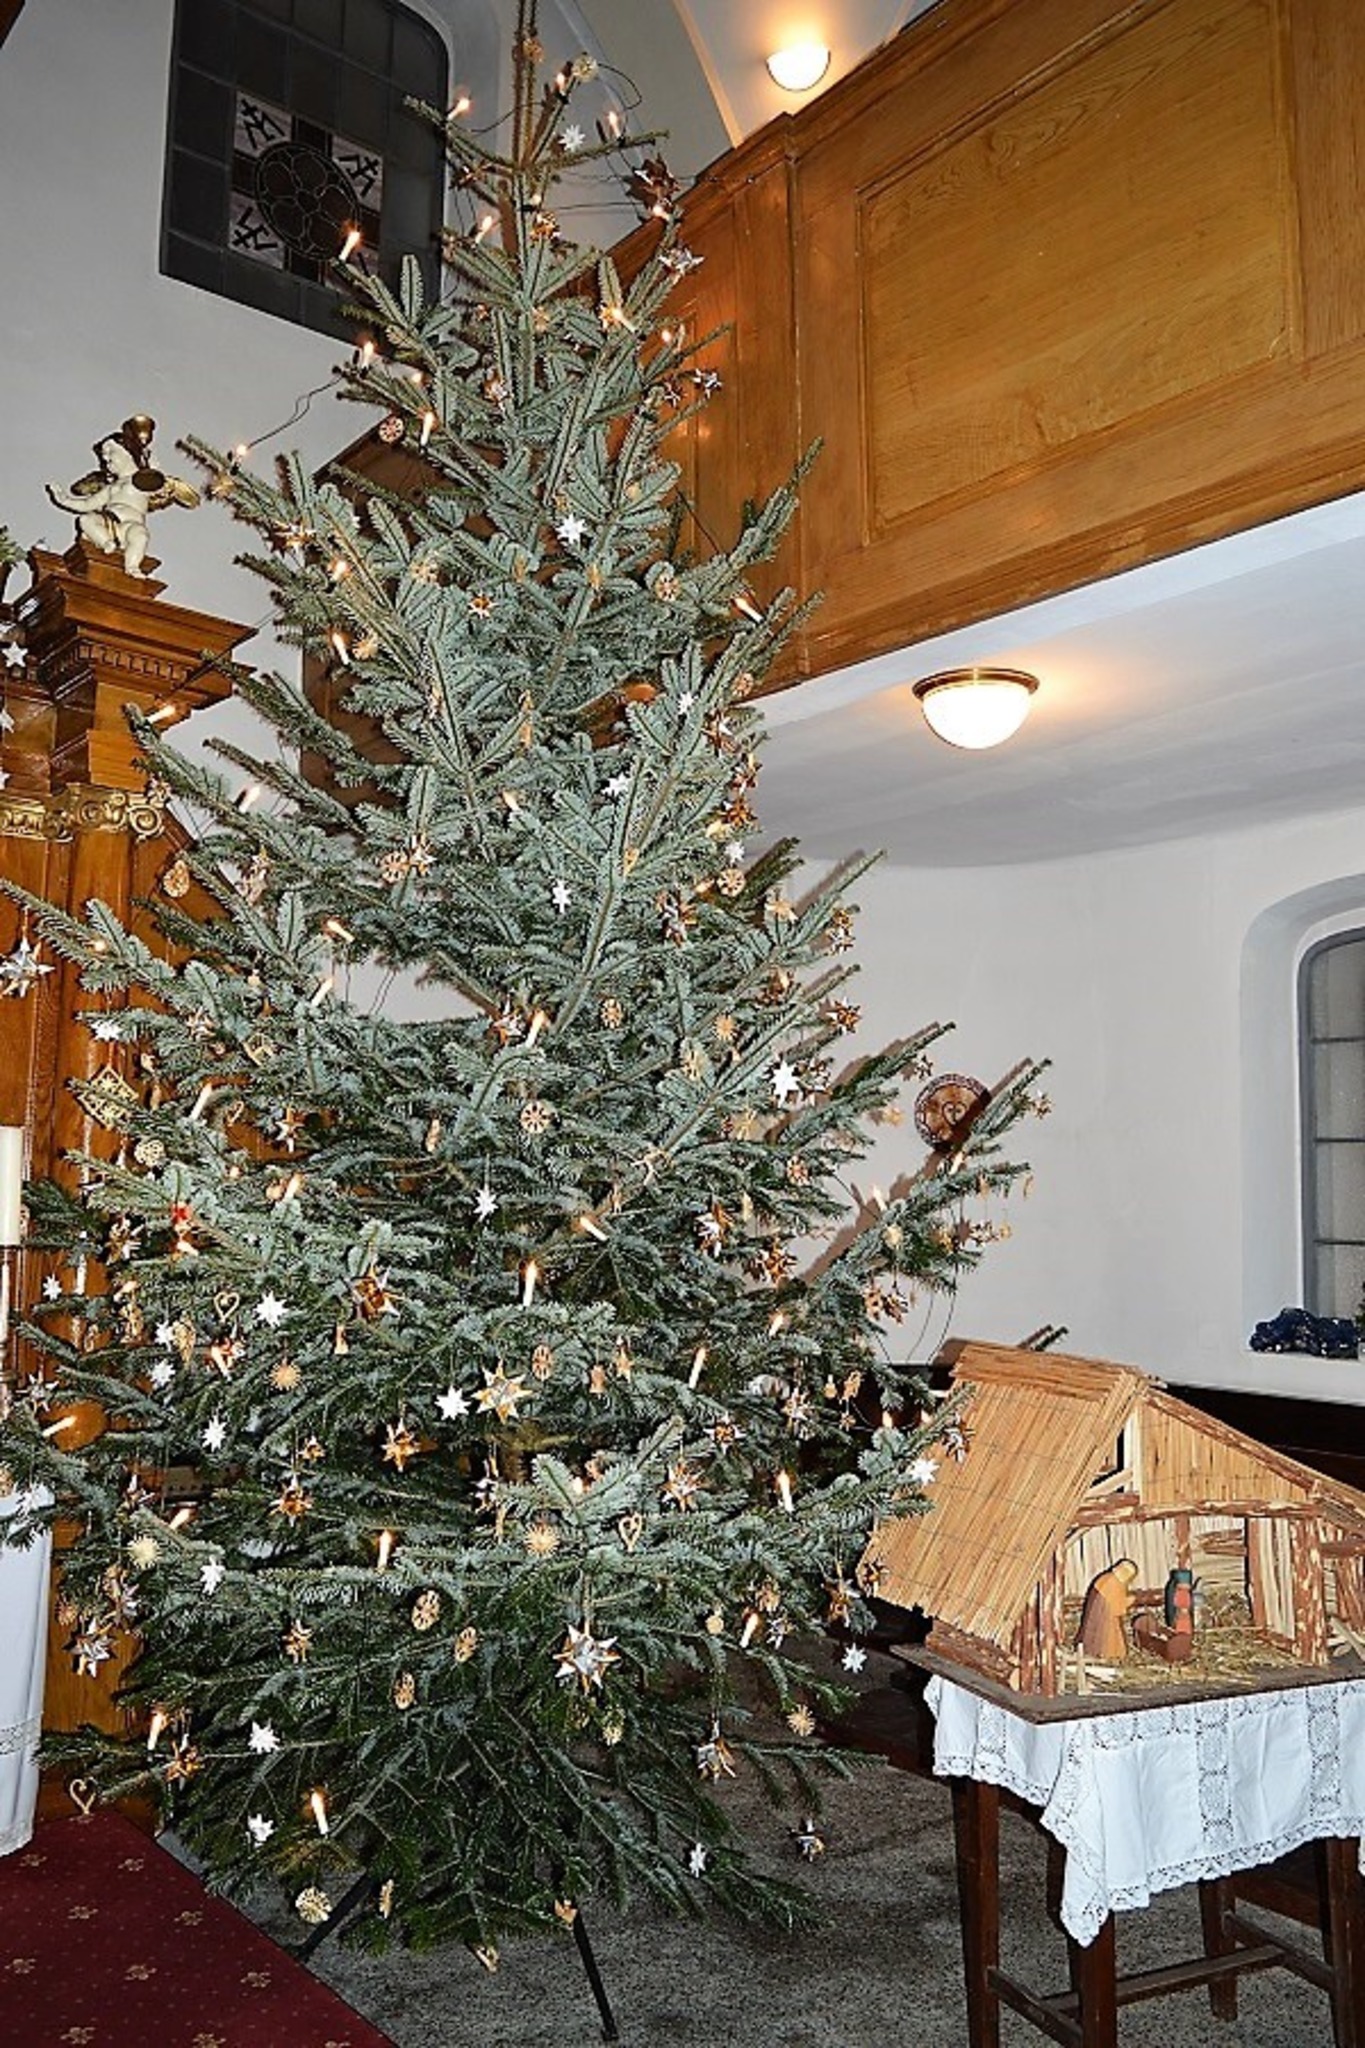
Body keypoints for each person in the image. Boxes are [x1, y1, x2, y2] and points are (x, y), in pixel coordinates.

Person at [47, 417, 198, 577]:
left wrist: (154, 471)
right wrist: (63, 499)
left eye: (111, 452)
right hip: (109, 523)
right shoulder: (111, 487)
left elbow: (163, 487)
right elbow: (87, 504)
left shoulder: (141, 481)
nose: (106, 458)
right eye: (104, 455)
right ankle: (105, 542)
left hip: (131, 525)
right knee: (85, 520)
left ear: (128, 452)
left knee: (140, 536)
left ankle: (132, 567)